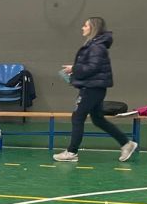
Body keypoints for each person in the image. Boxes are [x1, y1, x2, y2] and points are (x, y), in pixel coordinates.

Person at [54, 17, 138, 163]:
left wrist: (74, 69)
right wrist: (75, 69)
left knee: (77, 117)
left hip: (91, 89)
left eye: (85, 25)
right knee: (98, 119)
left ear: (93, 28)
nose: (82, 27)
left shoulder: (96, 47)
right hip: (95, 88)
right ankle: (126, 143)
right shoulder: (95, 45)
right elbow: (92, 66)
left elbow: (92, 67)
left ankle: (71, 152)